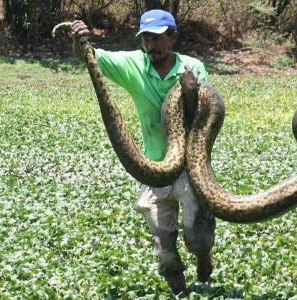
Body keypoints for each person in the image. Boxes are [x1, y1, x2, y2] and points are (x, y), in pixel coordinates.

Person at [71, 9, 216, 294]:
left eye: (158, 38)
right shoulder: (134, 64)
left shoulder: (192, 68)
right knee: (164, 249)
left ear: (173, 36)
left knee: (197, 235)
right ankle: (179, 292)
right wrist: (80, 41)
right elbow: (91, 57)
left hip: (190, 168)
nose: (151, 46)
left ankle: (203, 256)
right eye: (146, 39)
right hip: (155, 168)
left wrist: (190, 92)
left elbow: (205, 113)